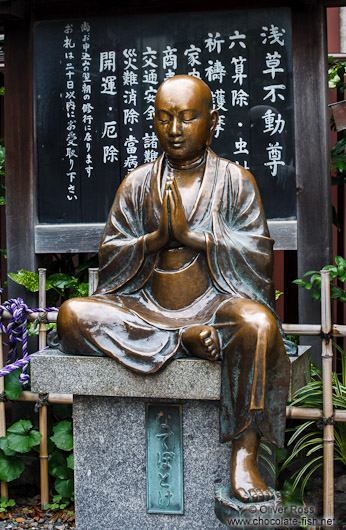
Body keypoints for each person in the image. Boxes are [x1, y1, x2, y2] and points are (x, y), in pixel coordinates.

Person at [57, 75, 290, 504]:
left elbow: (258, 260)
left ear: (213, 122)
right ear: (153, 123)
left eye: (187, 117)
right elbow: (111, 260)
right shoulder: (138, 183)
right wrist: (156, 240)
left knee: (258, 323)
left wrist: (194, 236)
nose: (176, 129)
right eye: (165, 119)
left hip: (216, 307)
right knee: (71, 314)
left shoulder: (236, 182)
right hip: (146, 307)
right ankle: (178, 340)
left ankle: (244, 454)